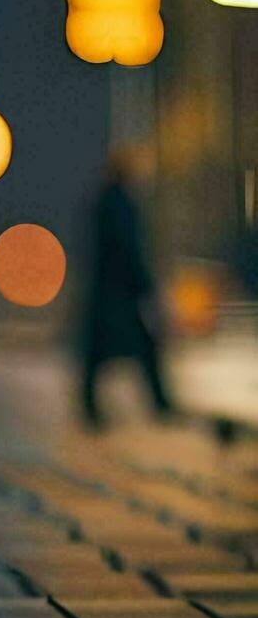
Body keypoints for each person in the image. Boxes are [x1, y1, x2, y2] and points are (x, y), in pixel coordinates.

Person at [78, 146, 174, 429]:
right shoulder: (119, 203)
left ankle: (93, 406)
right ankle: (158, 402)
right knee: (141, 346)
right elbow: (126, 247)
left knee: (103, 352)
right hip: (118, 293)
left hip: (110, 291)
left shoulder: (106, 201)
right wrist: (143, 283)